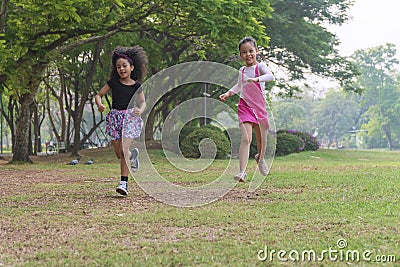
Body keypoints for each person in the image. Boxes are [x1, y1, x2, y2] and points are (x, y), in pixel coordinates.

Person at [219, 36, 274, 182]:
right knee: (246, 138)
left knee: (262, 139)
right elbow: (239, 86)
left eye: (251, 51)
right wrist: (228, 93)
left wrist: (257, 79)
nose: (248, 55)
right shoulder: (242, 71)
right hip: (245, 106)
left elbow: (270, 76)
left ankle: (260, 159)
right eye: (244, 52)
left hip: (259, 107)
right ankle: (242, 172)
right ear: (240, 55)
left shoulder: (260, 67)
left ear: (256, 51)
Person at [95, 46, 148, 195]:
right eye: (118, 67)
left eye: (124, 66)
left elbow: (143, 102)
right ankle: (133, 156)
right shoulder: (113, 83)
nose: (121, 69)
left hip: (130, 118)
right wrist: (99, 104)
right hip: (115, 118)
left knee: (123, 150)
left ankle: (124, 183)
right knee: (119, 154)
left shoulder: (137, 86)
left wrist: (140, 110)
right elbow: (98, 95)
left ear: (131, 67)